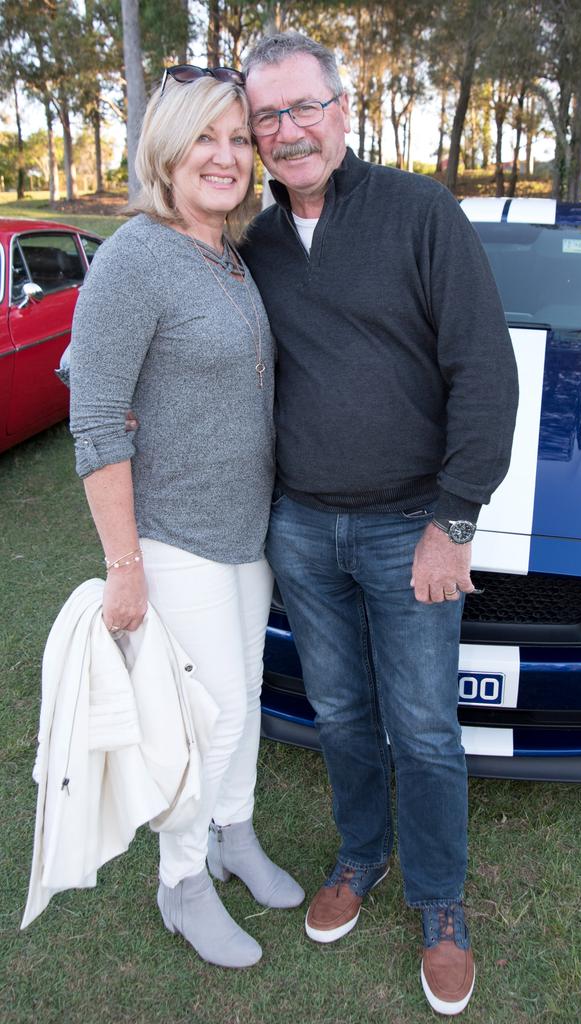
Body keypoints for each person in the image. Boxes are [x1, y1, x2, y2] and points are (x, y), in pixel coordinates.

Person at [240, 32, 518, 1016]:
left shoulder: (419, 212)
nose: (288, 129)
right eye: (268, 115)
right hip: (303, 529)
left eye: (303, 106)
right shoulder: (253, 239)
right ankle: (362, 855)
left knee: (427, 729)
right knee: (344, 715)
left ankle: (441, 904)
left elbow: (484, 369)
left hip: (411, 526)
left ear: (342, 109)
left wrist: (455, 517)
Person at [68, 65, 304, 970]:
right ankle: (181, 880)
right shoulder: (135, 255)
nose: (227, 155)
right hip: (172, 537)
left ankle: (233, 836)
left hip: (247, 531)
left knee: (240, 704)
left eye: (239, 139)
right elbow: (94, 415)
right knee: (200, 719)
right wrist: (123, 564)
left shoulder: (228, 255)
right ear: (166, 149)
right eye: (206, 136)